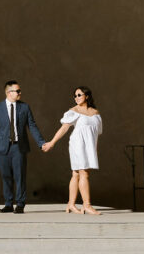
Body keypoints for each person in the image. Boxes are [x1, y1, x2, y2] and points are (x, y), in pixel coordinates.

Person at [42, 85, 102, 214]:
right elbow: (64, 128)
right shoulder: (73, 111)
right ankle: (87, 205)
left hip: (89, 146)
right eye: (75, 95)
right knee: (84, 173)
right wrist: (52, 142)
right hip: (77, 145)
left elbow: (97, 132)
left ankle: (70, 204)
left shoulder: (95, 113)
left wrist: (93, 148)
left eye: (79, 95)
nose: (76, 98)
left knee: (76, 174)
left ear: (87, 96)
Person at [0, 80, 47, 213]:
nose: (20, 93)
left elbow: (32, 126)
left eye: (19, 90)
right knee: (6, 176)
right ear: (8, 92)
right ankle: (8, 204)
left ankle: (20, 204)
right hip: (3, 148)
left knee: (20, 176)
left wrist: (41, 142)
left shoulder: (24, 107)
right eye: (17, 91)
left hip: (19, 147)